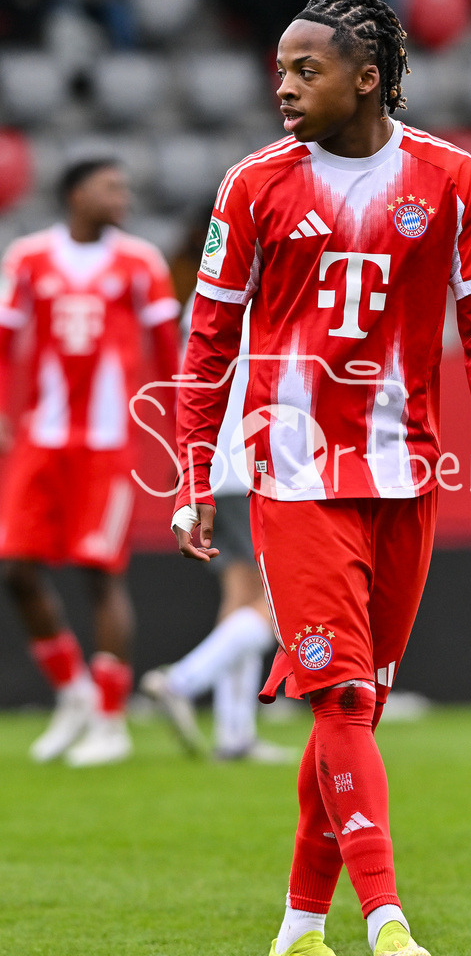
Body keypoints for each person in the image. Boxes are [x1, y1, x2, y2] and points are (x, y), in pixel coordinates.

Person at [171, 0, 471, 956]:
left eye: (304, 69)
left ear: (366, 78)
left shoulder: (451, 178)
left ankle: (296, 926)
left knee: (349, 708)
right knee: (340, 700)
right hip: (291, 475)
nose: (281, 86)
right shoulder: (253, 186)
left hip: (404, 476)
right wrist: (194, 470)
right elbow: (207, 342)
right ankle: (386, 919)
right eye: (280, 68)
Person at [0, 157, 179, 767]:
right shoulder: (27, 257)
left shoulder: (140, 262)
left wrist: (182, 430)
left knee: (100, 573)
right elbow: (4, 341)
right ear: (78, 194)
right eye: (111, 188)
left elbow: (170, 352)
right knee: (16, 568)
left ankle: (110, 721)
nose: (123, 197)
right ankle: (73, 692)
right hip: (40, 439)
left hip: (106, 445)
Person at [141, 290, 295, 764]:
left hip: (216, 461)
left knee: (241, 594)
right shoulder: (279, 285)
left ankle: (235, 734)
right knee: (279, 600)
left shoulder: (209, 289)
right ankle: (181, 680)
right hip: (255, 461)